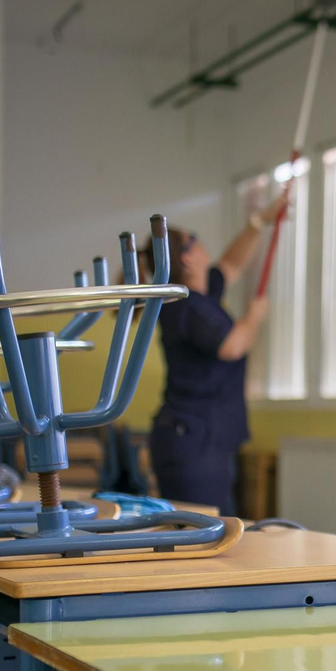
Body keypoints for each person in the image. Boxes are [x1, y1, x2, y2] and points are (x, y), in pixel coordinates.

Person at [140, 193, 286, 515]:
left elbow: (232, 263)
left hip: (198, 438)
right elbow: (232, 345)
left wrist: (260, 221)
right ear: (188, 259)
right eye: (194, 240)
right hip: (194, 442)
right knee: (204, 531)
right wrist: (255, 316)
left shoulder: (199, 298)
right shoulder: (187, 306)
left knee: (205, 528)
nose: (202, 242)